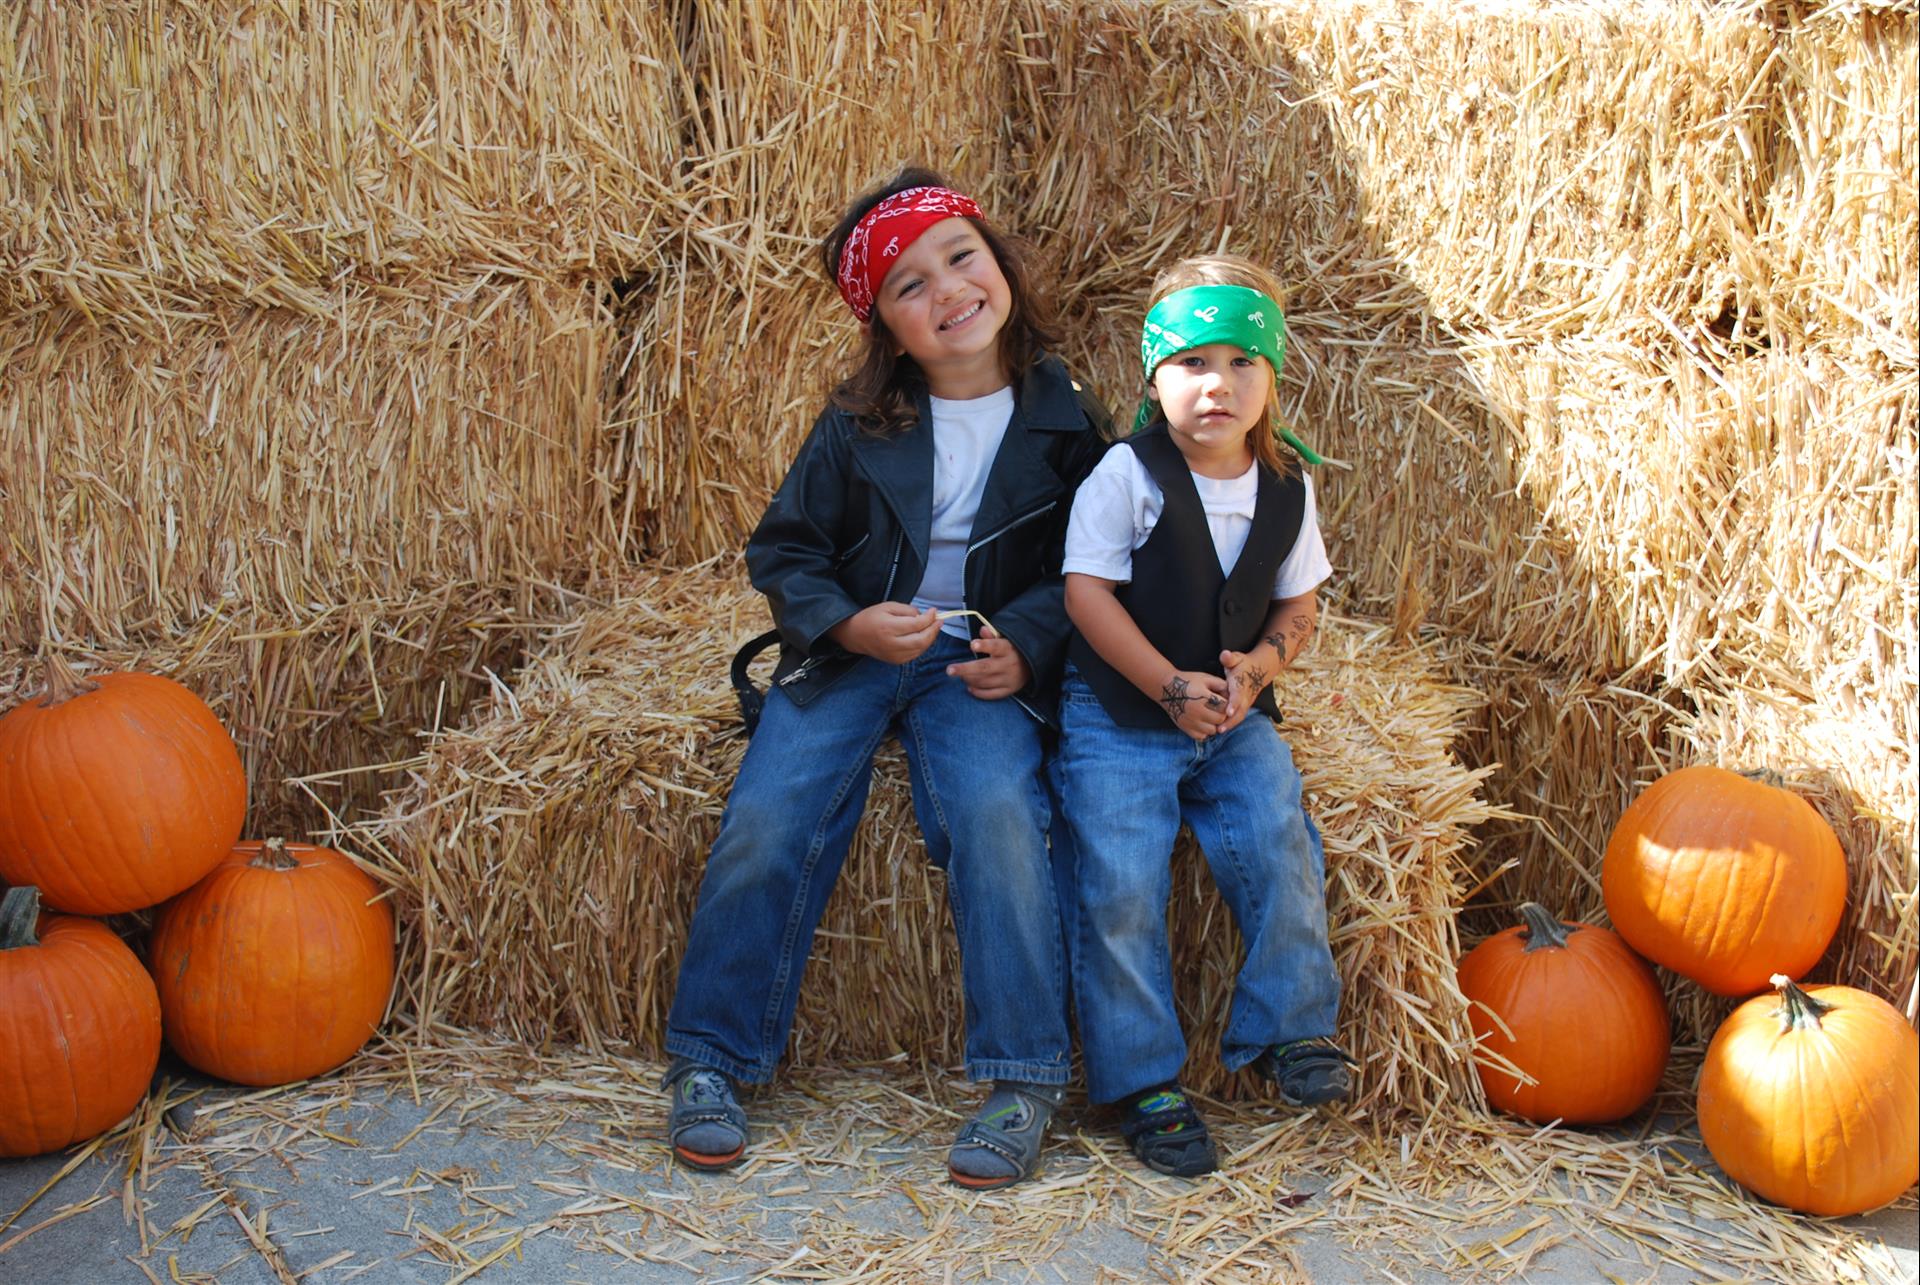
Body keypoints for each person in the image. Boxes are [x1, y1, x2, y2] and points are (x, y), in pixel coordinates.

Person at [661, 168, 1109, 1190]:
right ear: (885, 328)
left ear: (999, 263)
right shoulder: (858, 422)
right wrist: (850, 622)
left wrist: (1029, 640)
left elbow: (1087, 564)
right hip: (859, 650)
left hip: (975, 661)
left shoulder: (1065, 419)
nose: (948, 290)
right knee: (770, 816)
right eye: (910, 284)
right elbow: (786, 552)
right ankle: (710, 1057)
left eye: (961, 256)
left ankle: (1024, 1076)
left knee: (1000, 811)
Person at [1053, 253, 1353, 1178]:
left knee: (1279, 833)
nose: (1217, 384)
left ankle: (1291, 1026)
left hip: (1229, 715)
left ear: (1273, 378)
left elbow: (1299, 608)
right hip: (1122, 711)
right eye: (1192, 363)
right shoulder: (1126, 475)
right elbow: (1085, 596)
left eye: (1241, 362)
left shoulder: (1288, 489)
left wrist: (1258, 673)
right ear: (1154, 375)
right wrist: (1166, 687)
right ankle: (1143, 1079)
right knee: (1119, 883)